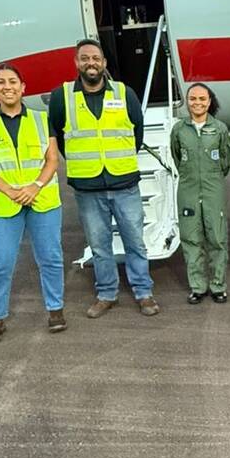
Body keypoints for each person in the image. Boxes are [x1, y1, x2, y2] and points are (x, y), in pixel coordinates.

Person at [48, 38, 159, 317]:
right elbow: (59, 137)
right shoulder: (62, 97)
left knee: (135, 242)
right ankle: (107, 294)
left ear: (104, 63)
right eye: (85, 58)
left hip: (124, 184)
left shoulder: (124, 93)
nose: (91, 63)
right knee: (99, 246)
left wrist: (117, 161)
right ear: (77, 63)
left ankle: (143, 292)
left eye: (96, 58)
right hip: (88, 188)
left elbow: (137, 132)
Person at [0, 63, 66, 344]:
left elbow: (52, 159)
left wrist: (35, 186)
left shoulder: (40, 118)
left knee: (50, 258)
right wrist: (9, 190)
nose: (7, 87)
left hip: (42, 198)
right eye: (1, 82)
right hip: (4, 201)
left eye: (13, 81)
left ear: (23, 87)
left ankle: (55, 310)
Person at [170, 83, 230, 304]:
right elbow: (177, 157)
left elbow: (226, 160)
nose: (197, 103)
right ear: (187, 102)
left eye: (202, 99)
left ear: (209, 101)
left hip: (213, 191)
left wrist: (210, 178)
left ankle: (218, 286)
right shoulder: (179, 130)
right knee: (191, 239)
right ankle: (197, 287)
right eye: (193, 99)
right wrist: (191, 176)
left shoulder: (220, 129)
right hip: (188, 191)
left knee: (217, 238)